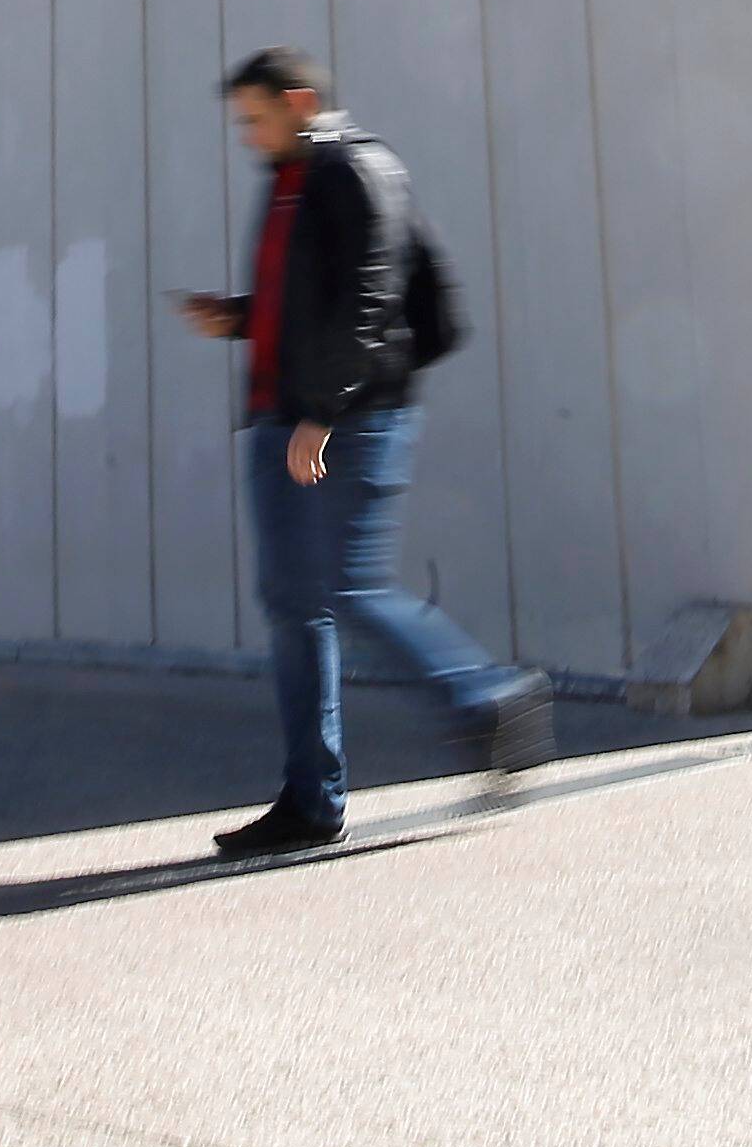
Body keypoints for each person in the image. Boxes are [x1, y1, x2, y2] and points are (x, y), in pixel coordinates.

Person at [177, 49, 545, 858]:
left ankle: (490, 699)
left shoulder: (357, 170)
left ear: (301, 100)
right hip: (282, 415)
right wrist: (237, 317)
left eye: (258, 116)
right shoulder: (290, 181)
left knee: (348, 586)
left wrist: (324, 411)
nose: (248, 134)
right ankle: (312, 801)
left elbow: (371, 300)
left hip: (348, 415)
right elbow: (306, 301)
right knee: (290, 602)